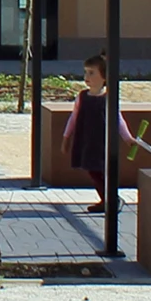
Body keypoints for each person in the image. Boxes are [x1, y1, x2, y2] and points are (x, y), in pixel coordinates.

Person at [61, 52, 132, 215]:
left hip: (102, 142)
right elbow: (74, 117)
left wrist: (127, 137)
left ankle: (112, 198)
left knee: (100, 171)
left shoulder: (107, 98)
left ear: (104, 77)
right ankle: (106, 199)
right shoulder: (82, 97)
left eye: (91, 73)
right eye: (86, 72)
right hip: (86, 141)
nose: (87, 76)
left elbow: (117, 119)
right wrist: (66, 138)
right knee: (92, 171)